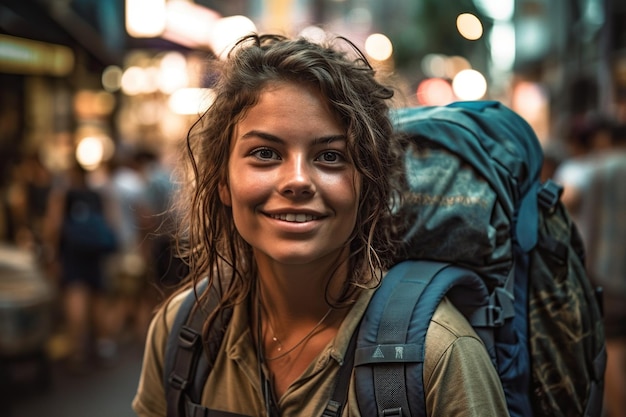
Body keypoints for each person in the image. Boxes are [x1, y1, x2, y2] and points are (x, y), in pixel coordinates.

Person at [132, 33, 509, 416]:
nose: (297, 180)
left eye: (330, 157)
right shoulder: (181, 331)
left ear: (368, 187)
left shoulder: (438, 355)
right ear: (222, 182)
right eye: (265, 153)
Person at [578, 123, 626, 417]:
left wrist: (587, 269)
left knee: (613, 350)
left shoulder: (600, 169)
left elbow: (590, 224)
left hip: (609, 275)